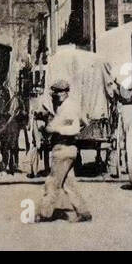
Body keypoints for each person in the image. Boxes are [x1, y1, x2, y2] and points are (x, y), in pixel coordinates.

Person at [36, 78, 91, 222]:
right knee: (69, 184)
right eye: (55, 92)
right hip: (70, 149)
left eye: (59, 92)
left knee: (52, 182)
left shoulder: (67, 108)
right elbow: (85, 122)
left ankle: (44, 213)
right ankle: (83, 212)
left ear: (66, 92)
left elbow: (73, 129)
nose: (57, 95)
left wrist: (55, 129)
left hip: (63, 148)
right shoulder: (71, 106)